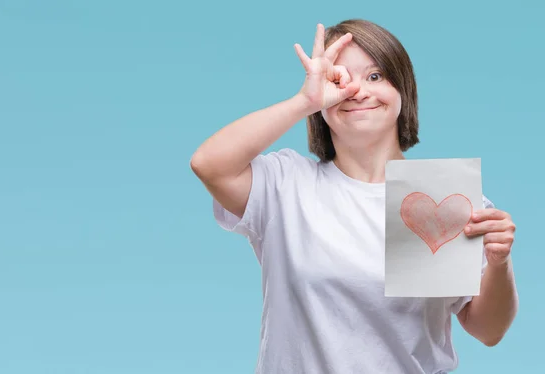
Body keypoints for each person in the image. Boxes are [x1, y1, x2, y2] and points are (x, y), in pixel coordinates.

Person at [189, 19, 518, 374]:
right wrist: (305, 101)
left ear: (402, 89)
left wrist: (499, 263)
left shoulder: (447, 198)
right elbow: (208, 164)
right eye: (339, 79)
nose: (358, 91)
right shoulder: (285, 185)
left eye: (375, 76)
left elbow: (488, 330)